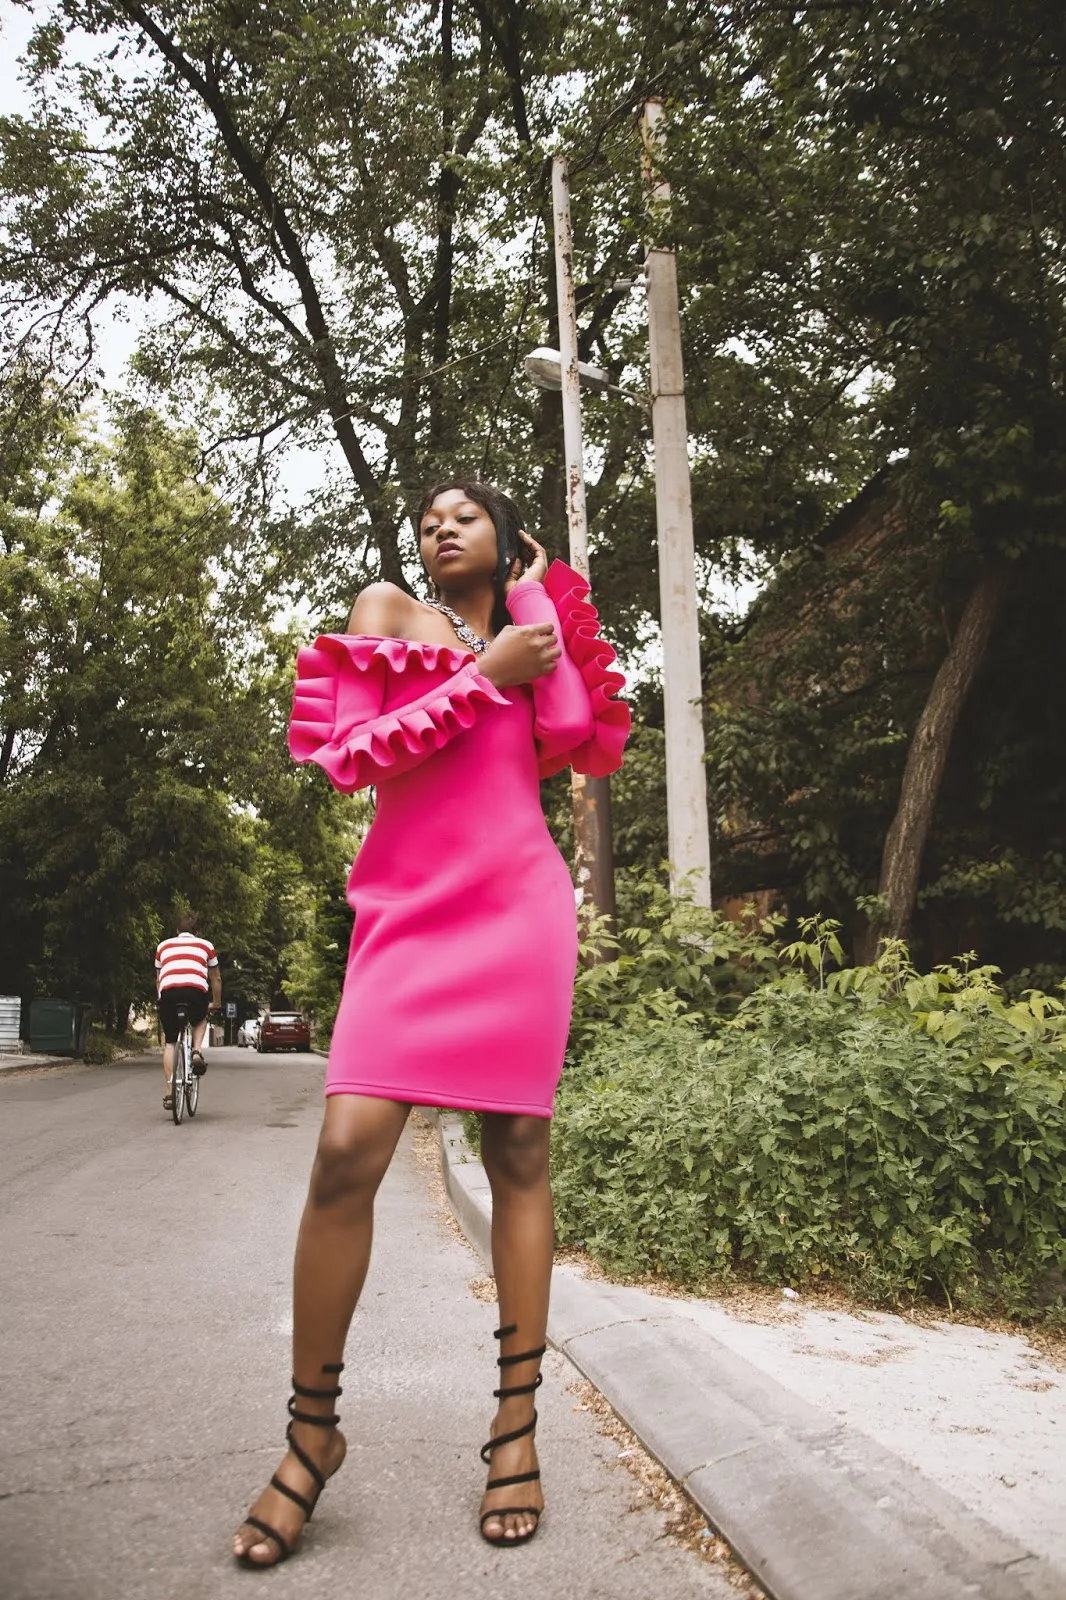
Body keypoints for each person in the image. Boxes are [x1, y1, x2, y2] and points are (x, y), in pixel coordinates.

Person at [232, 480, 629, 1567]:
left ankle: (514, 1426)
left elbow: (569, 731)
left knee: (520, 1149)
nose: (437, 527)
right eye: (426, 519)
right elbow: (357, 757)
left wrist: (539, 598)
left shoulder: (529, 629)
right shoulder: (386, 613)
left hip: (519, 910)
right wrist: (476, 674)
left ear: (503, 538)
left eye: (464, 514)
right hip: (407, 916)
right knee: (346, 1150)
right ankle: (312, 1432)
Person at [155, 912, 222, 1111]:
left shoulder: (162, 946)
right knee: (201, 1017)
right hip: (195, 992)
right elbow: (216, 978)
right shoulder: (206, 945)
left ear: (177, 931)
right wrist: (216, 1003)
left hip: (168, 993)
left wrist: (160, 1000)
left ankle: (169, 1093)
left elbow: (159, 979)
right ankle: (196, 1051)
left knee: (169, 1042)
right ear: (197, 931)